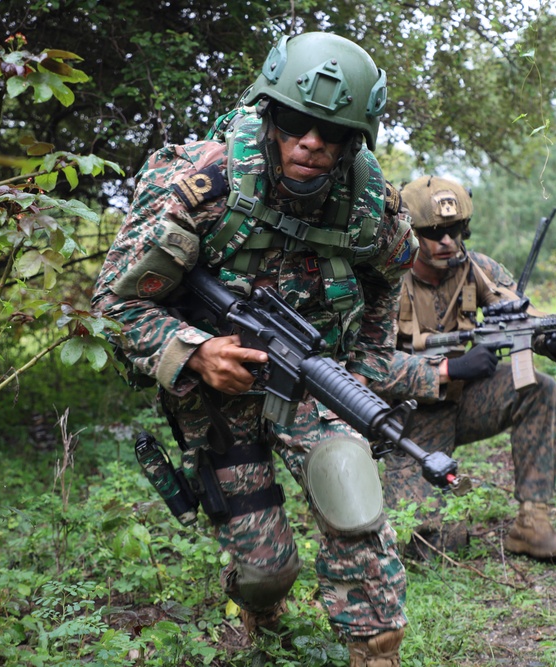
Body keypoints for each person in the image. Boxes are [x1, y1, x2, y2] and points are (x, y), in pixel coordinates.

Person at [92, 32, 417, 666]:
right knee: (267, 571)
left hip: (308, 373)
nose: (312, 142)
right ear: (269, 115)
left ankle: (376, 649)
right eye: (295, 122)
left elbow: (387, 281)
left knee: (353, 498)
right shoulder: (205, 185)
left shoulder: (368, 205)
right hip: (216, 390)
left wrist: (360, 370)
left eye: (334, 133)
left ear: (356, 141)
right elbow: (116, 305)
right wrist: (196, 353)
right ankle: (261, 613)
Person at [372, 174, 556, 561]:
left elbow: (517, 310)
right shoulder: (386, 279)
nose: (447, 241)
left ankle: (533, 522)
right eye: (434, 232)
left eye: (454, 230)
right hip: (405, 422)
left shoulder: (477, 268)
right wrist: (450, 370)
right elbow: (369, 365)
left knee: (539, 387)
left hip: (463, 404)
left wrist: (549, 335)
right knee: (429, 547)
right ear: (412, 233)